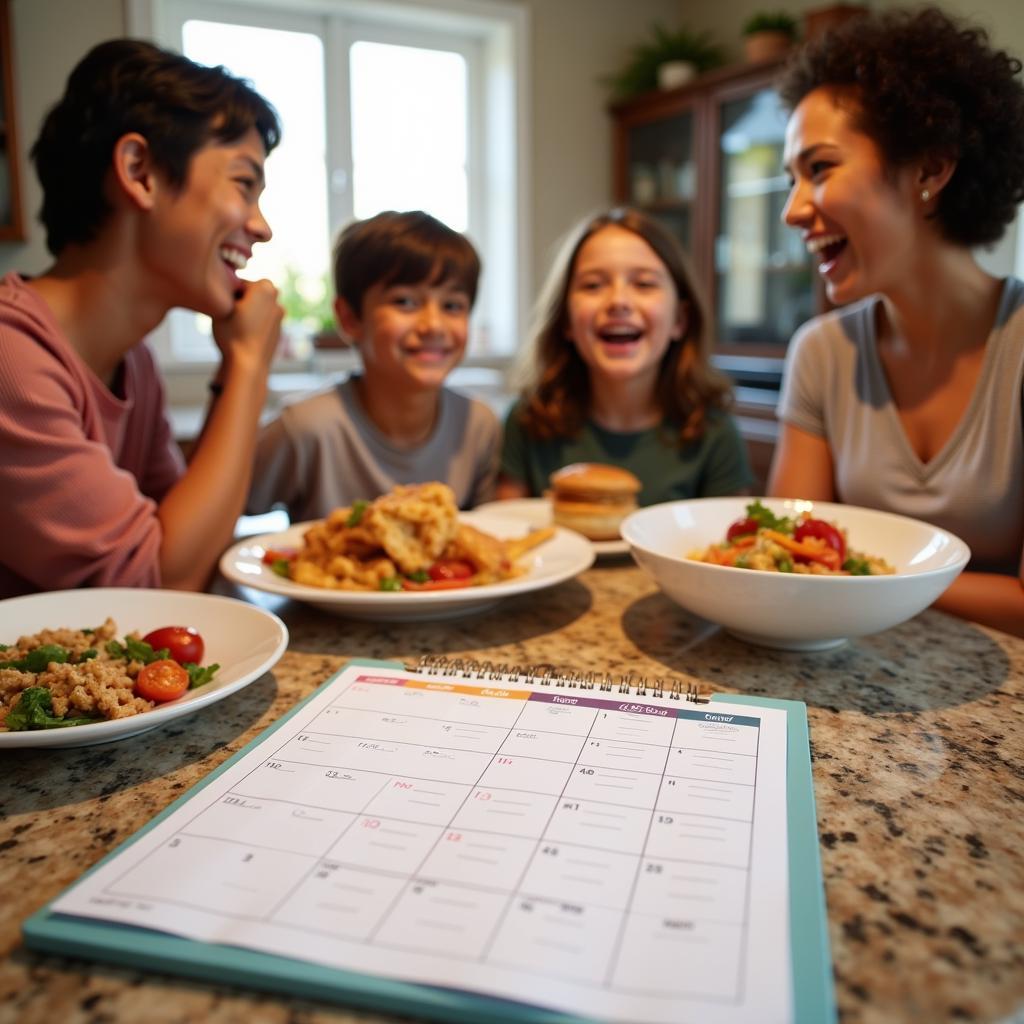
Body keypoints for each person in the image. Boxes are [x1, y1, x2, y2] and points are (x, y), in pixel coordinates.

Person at [770, 6, 1024, 636]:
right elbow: (781, 557)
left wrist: (863, 578)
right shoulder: (822, 352)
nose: (792, 210)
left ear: (930, 170)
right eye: (791, 179)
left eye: (820, 169)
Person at [0, 39, 284, 598]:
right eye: (244, 185)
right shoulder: (12, 361)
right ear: (140, 172)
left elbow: (187, 540)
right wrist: (250, 365)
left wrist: (236, 370)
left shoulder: (134, 362)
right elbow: (162, 581)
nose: (262, 226)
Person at [247, 210, 499, 520]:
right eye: (405, 301)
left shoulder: (478, 426)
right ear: (350, 318)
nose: (434, 325)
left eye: (452, 306)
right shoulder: (307, 428)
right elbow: (223, 517)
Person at [498, 207, 752, 505]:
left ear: (680, 319)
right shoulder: (527, 420)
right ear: (566, 319)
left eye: (644, 283)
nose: (618, 301)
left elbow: (729, 544)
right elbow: (507, 536)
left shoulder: (714, 432)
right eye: (593, 285)